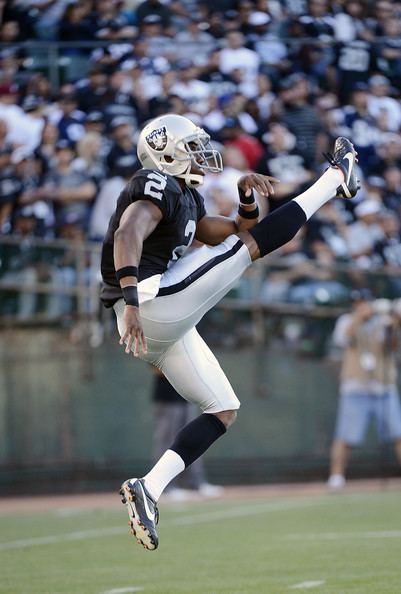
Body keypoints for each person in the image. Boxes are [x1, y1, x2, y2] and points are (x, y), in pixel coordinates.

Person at [100, 113, 359, 550]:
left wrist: (245, 199)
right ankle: (335, 179)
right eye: (191, 147)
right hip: (147, 302)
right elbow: (128, 232)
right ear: (167, 154)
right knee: (243, 252)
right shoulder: (155, 184)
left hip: (159, 320)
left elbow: (237, 229)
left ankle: (149, 487)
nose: (202, 154)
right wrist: (130, 302)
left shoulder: (186, 197)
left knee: (222, 408)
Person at [328, 290, 401, 490]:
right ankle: (336, 477)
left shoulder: (384, 322)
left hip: (383, 387)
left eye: (364, 302)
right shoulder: (346, 321)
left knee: (398, 434)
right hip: (355, 388)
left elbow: (392, 347)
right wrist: (359, 318)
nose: (362, 306)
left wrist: (395, 324)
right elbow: (343, 339)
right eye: (357, 303)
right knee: (345, 437)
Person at [151, 367, 223, 499]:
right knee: (166, 441)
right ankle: (165, 487)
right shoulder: (158, 346)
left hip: (187, 397)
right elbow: (155, 368)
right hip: (168, 398)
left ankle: (195, 483)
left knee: (193, 439)